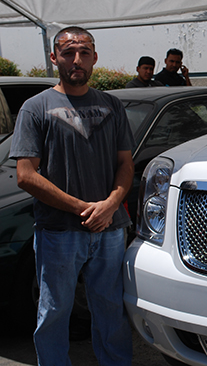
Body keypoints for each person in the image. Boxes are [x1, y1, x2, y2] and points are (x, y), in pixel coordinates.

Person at [9, 26, 133, 365]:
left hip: (110, 230)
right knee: (54, 311)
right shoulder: (35, 107)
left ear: (95, 58)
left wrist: (110, 205)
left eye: (84, 52)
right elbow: (26, 175)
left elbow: (125, 164)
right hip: (59, 232)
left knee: (111, 308)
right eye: (68, 53)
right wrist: (85, 209)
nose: (76, 60)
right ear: (54, 58)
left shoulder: (112, 105)